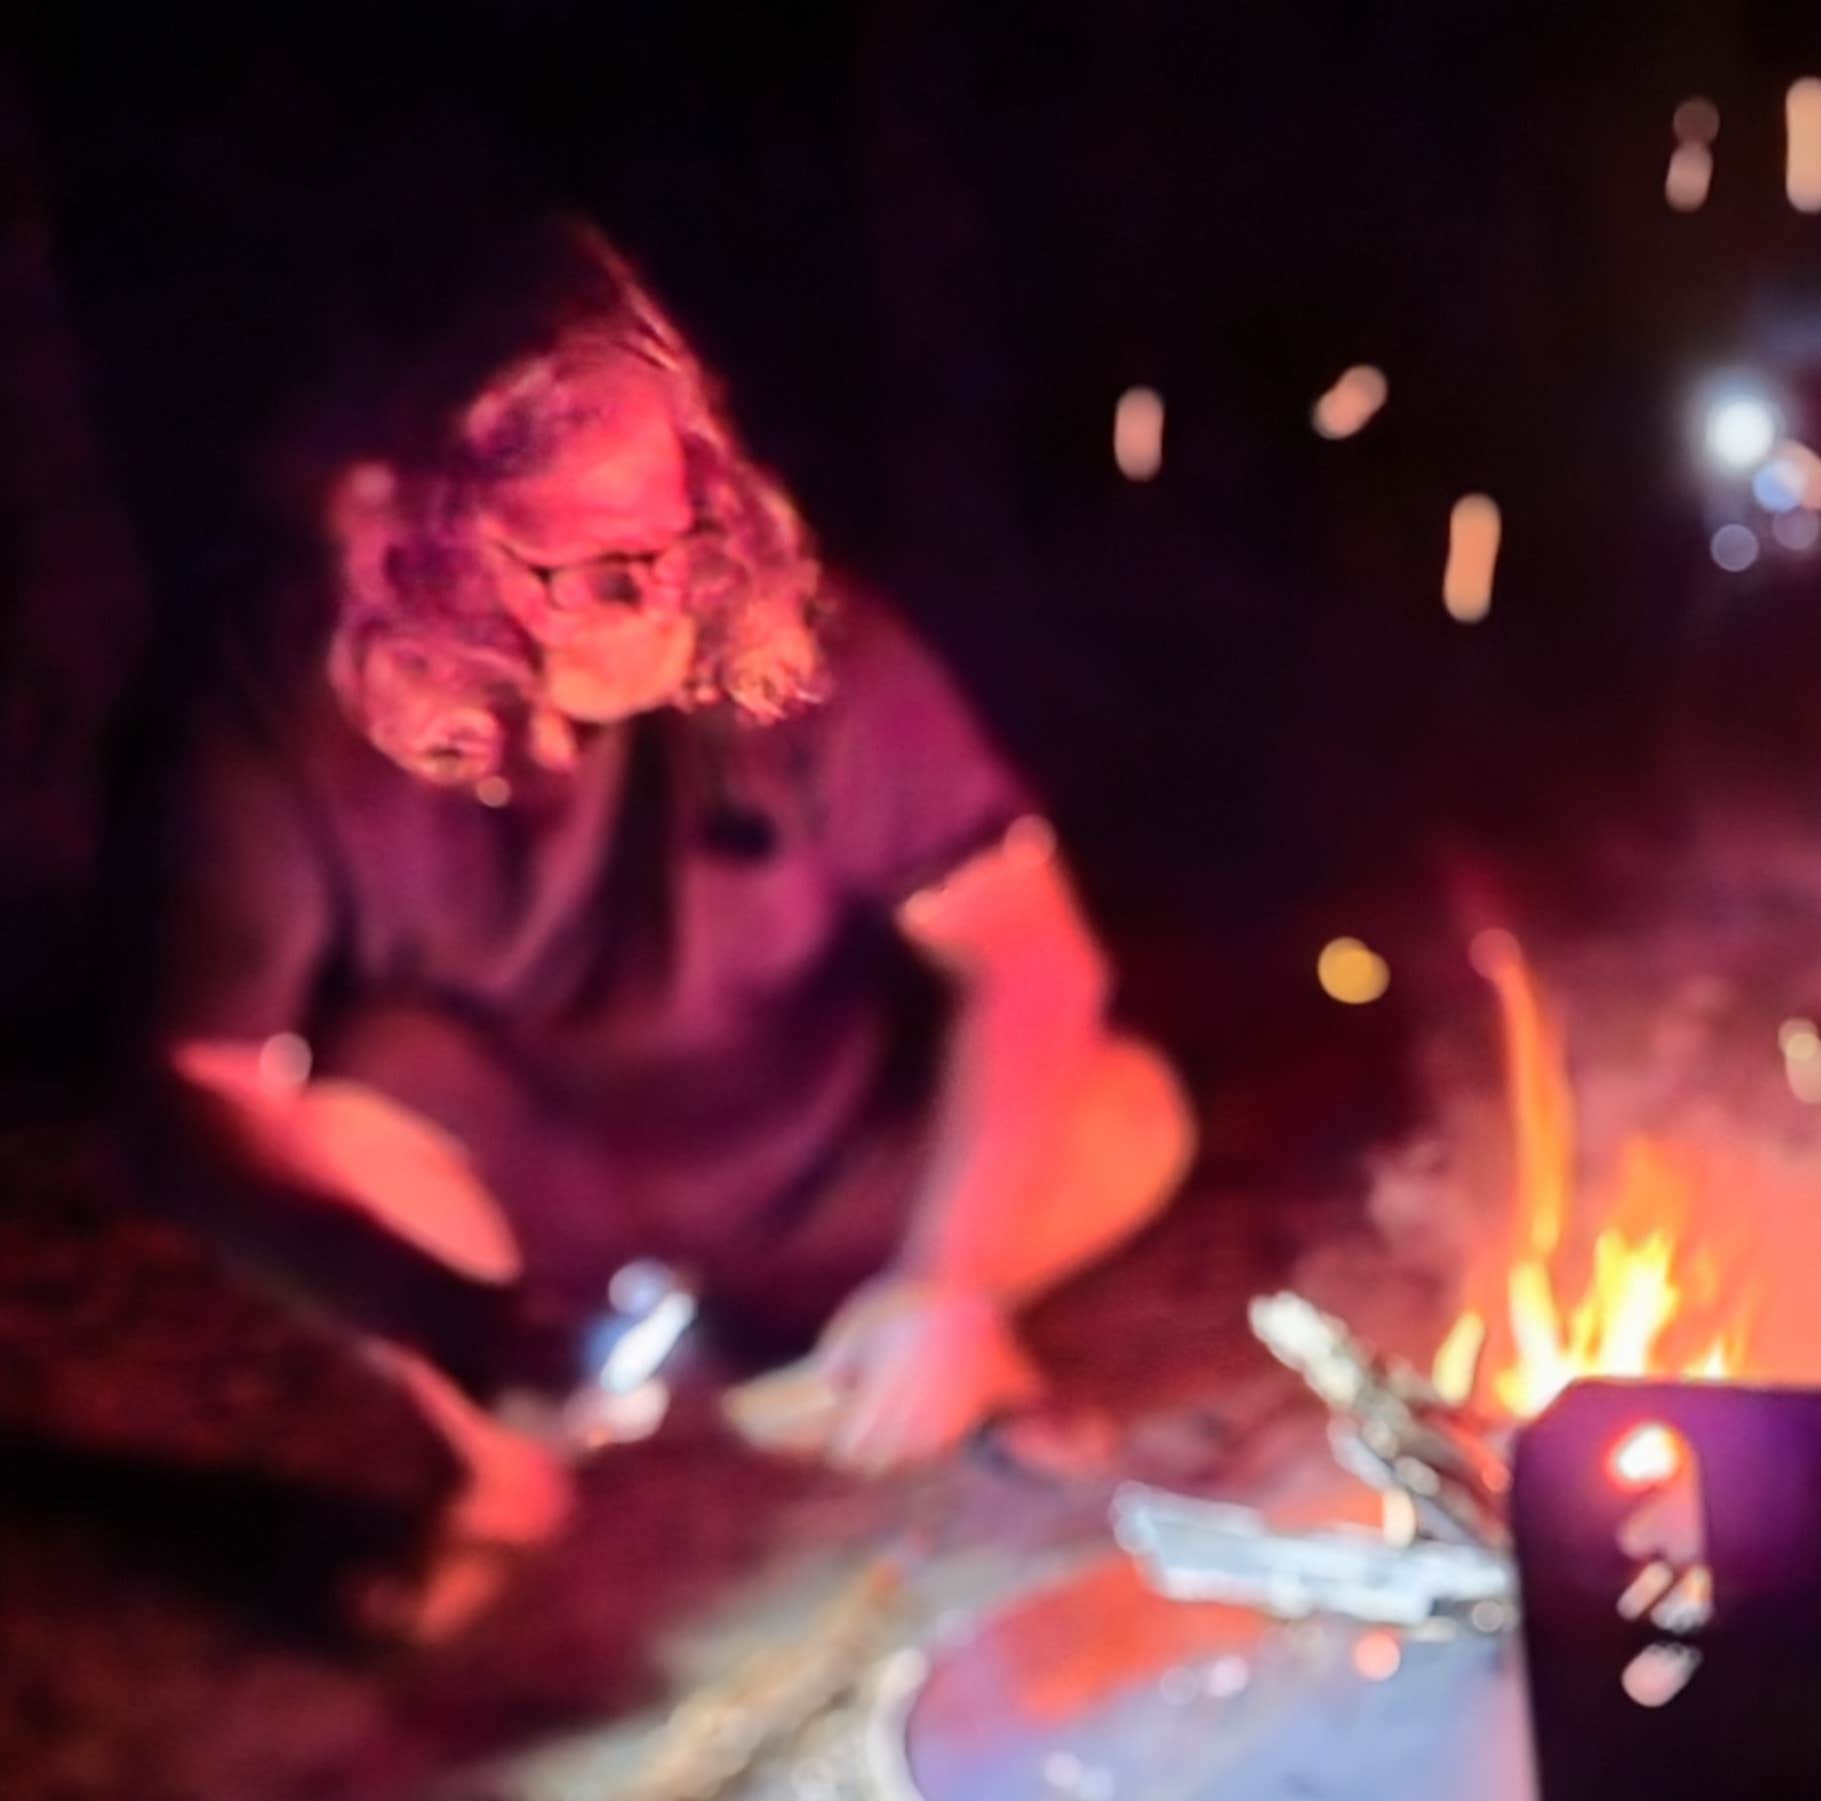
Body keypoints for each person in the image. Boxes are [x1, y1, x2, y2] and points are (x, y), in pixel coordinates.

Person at [138, 227, 1190, 1632]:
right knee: (327, 1119)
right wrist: (440, 1315)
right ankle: (511, 1466)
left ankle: (911, 1352)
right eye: (584, 562)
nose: (660, 599)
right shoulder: (263, 706)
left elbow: (1031, 952)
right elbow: (198, 1090)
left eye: (682, 531)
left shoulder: (791, 642)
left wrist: (946, 1274)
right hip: (528, 1225)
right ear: (410, 533)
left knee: (1128, 1116)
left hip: (821, 1179)